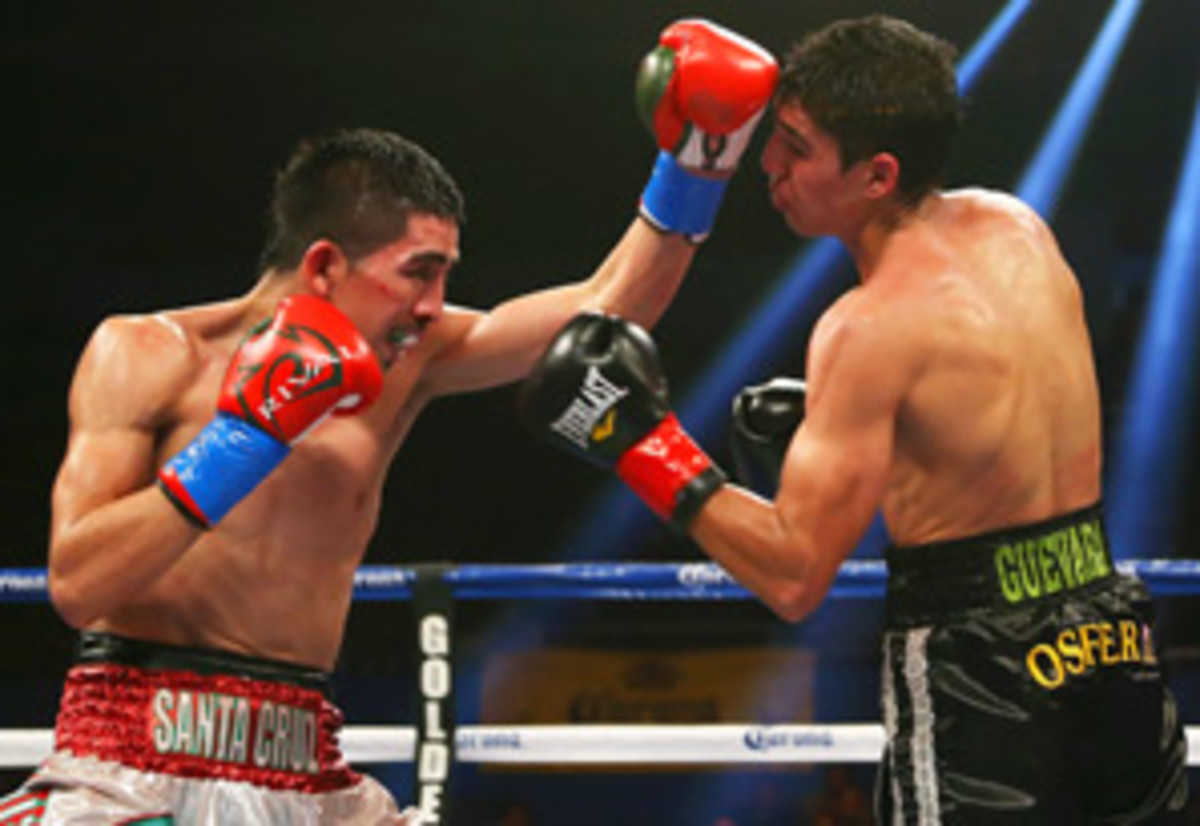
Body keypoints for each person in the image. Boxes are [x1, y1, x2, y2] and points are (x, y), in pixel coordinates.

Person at [0, 19, 778, 825]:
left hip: (306, 767)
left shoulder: (415, 358)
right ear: (326, 264)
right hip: (133, 761)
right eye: (419, 273)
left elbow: (605, 310)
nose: (433, 306)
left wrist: (698, 161)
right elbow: (79, 581)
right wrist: (246, 436)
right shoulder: (146, 352)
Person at [518, 15, 1188, 824]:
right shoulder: (1017, 228)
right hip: (1111, 635)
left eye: (797, 149)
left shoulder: (864, 328)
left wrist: (640, 442)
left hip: (981, 664)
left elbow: (795, 576)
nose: (769, 164)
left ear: (877, 175)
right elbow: (984, 429)